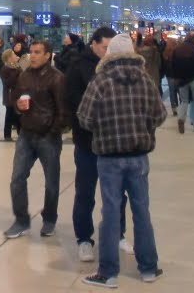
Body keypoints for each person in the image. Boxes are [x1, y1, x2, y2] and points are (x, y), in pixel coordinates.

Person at [78, 33, 164, 288]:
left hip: (109, 158)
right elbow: (160, 114)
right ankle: (148, 268)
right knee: (142, 212)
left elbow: (84, 117)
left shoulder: (100, 81)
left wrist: (104, 127)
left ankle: (108, 272)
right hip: (138, 157)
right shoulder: (145, 80)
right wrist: (144, 127)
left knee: (110, 213)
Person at [66, 26, 132, 263]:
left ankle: (119, 233)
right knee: (85, 192)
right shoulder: (78, 66)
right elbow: (72, 100)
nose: (108, 52)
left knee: (116, 193)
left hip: (113, 142)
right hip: (87, 141)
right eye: (105, 47)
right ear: (93, 44)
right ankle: (84, 239)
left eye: (110, 48)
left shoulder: (115, 67)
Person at [4, 39, 67, 240]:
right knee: (17, 179)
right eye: (31, 51)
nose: (33, 55)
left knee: (51, 182)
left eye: (38, 52)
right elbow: (15, 99)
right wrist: (17, 107)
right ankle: (21, 219)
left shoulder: (57, 79)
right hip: (26, 134)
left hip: (47, 137)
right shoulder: (24, 76)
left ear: (48, 55)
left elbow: (64, 111)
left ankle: (49, 218)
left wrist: (53, 130)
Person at [170, 35, 194, 133]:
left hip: (181, 79)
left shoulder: (177, 49)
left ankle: (181, 119)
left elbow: (172, 64)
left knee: (184, 101)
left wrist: (175, 77)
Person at [0, 48, 24, 141]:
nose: (15, 56)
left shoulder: (18, 67)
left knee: (19, 115)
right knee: (9, 116)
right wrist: (16, 71)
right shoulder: (5, 69)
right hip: (9, 96)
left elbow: (22, 77)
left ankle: (20, 134)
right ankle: (7, 135)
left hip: (18, 95)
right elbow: (9, 83)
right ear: (9, 58)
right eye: (13, 55)